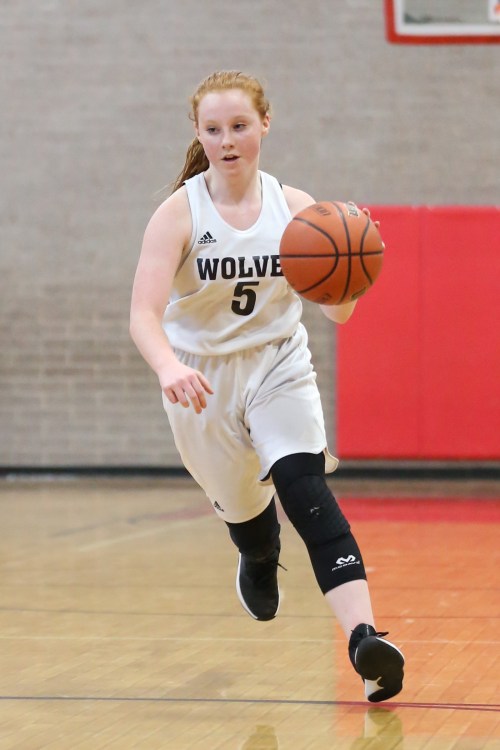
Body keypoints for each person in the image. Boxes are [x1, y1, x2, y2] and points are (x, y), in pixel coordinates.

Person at [129, 70, 404, 703]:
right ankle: (256, 553)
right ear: (199, 133)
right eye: (214, 129)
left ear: (265, 124)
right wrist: (169, 368)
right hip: (202, 378)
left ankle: (364, 639)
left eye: (239, 126)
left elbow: (338, 314)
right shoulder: (178, 214)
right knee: (246, 514)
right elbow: (143, 314)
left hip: (279, 362)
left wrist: (354, 271)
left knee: (305, 487)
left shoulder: (297, 208)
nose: (227, 140)